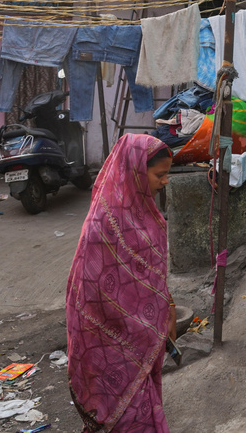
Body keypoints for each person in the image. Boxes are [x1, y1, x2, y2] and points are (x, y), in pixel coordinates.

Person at [66, 134, 176, 432]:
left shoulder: (148, 216)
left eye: (167, 174)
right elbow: (89, 288)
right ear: (136, 172)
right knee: (123, 413)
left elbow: (151, 278)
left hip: (140, 338)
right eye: (159, 175)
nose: (165, 182)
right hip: (104, 339)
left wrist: (163, 312)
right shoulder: (103, 222)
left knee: (139, 408)